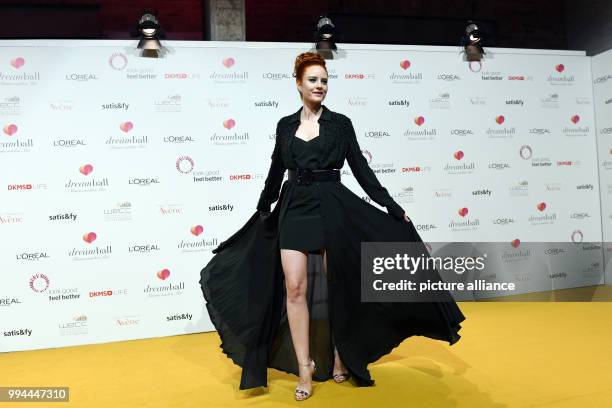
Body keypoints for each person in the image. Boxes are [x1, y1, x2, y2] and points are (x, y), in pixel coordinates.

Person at [200, 52, 465, 401]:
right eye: (313, 79)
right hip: (294, 205)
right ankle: (305, 366)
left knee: (340, 286)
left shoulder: (341, 125)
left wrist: (391, 206)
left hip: (333, 206)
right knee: (294, 288)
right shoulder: (284, 126)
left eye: (324, 80)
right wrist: (263, 208)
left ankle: (343, 355)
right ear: (298, 84)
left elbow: (360, 169)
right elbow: (275, 171)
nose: (320, 85)